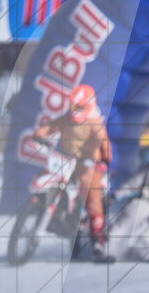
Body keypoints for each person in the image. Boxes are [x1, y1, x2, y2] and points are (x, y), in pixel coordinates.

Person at [33, 84, 113, 261]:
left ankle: (97, 240)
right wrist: (38, 134)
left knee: (92, 198)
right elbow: (50, 127)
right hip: (65, 162)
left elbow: (104, 143)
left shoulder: (94, 122)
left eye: (80, 107)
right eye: (74, 106)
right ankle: (43, 211)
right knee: (45, 177)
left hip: (87, 166)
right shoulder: (66, 119)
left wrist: (104, 160)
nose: (76, 111)